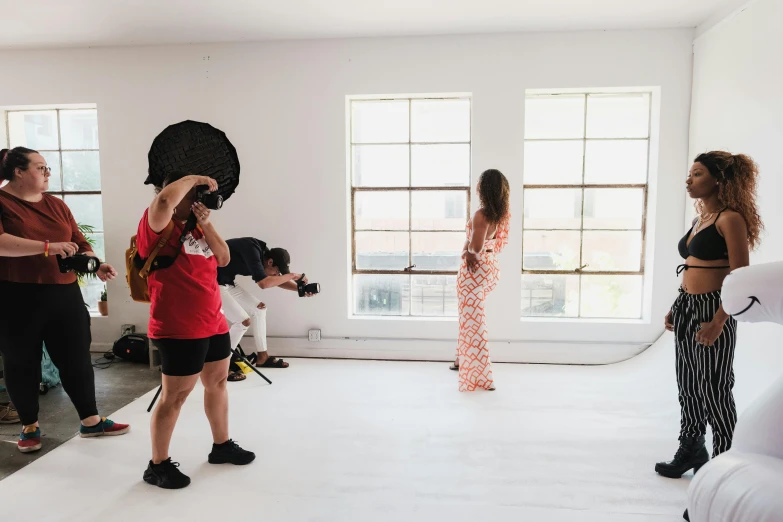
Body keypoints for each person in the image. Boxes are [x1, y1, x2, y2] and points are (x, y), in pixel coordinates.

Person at [0, 147, 129, 453]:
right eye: (40, 167)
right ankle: (29, 426)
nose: (47, 173)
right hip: (16, 295)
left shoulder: (56, 205)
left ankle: (91, 420)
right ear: (18, 172)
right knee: (21, 363)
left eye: (47, 168)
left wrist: (95, 264)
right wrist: (48, 247)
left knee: (77, 359)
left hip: (64, 294)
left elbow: (79, 242)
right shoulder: (3, 202)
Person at [138, 170, 254, 490]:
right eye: (192, 195)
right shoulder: (156, 224)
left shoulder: (197, 230)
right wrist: (192, 177)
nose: (198, 200)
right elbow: (163, 199)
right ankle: (157, 465)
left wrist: (207, 223)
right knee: (175, 397)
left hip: (212, 320)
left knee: (217, 383)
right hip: (178, 327)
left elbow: (224, 257)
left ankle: (221, 446)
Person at [655, 152, 762, 488]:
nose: (689, 180)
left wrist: (718, 321)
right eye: (690, 173)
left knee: (714, 390)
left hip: (714, 309)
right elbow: (693, 268)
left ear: (719, 179)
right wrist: (679, 303)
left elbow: (740, 277)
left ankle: (723, 465)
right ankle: (691, 449)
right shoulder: (701, 218)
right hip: (688, 307)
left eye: (697, 174)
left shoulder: (730, 219)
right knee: (687, 386)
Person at [217, 237, 314, 379]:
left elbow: (274, 281)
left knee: (259, 309)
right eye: (276, 272)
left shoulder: (262, 257)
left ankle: (262, 357)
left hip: (226, 282)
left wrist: (301, 291)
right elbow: (264, 283)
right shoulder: (252, 250)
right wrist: (292, 275)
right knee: (242, 321)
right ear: (270, 262)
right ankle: (220, 367)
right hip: (212, 282)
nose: (276, 275)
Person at [450, 169, 511, 392]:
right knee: (469, 318)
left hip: (475, 273)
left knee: (473, 323)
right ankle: (461, 360)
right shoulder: (499, 214)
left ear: (483, 189)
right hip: (491, 269)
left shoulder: (481, 214)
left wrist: (467, 250)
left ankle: (482, 377)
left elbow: (475, 248)